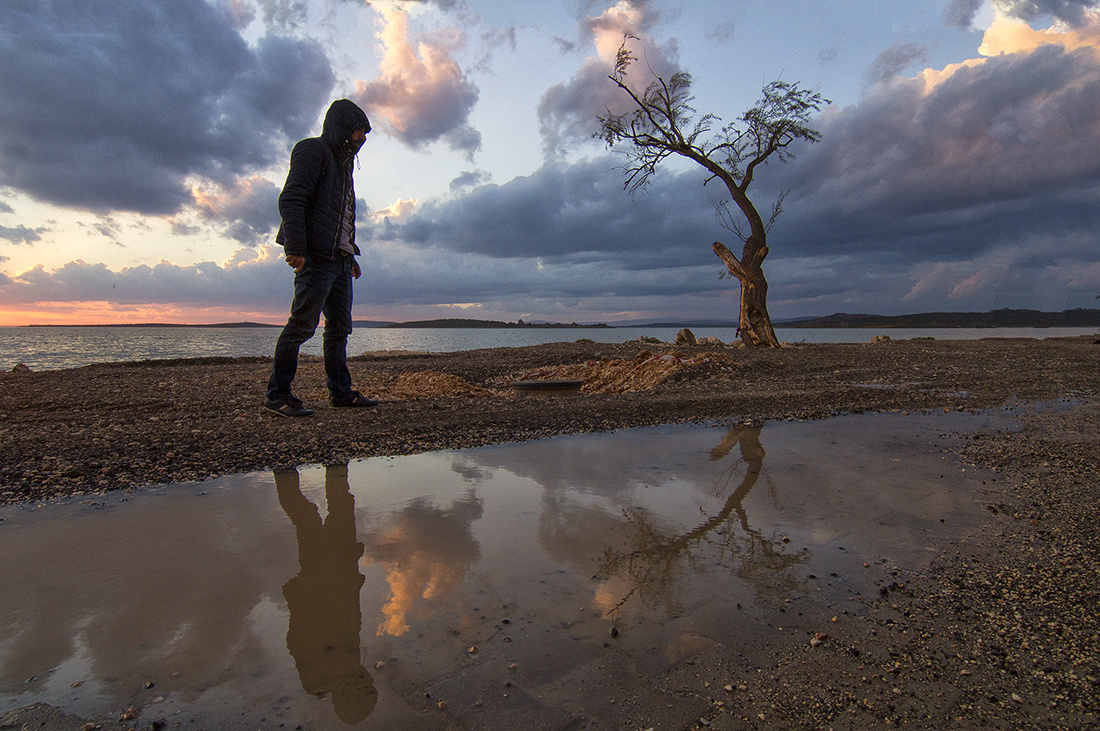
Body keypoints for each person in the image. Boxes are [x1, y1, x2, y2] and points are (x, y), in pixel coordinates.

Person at [265, 99, 379, 417]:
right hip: (315, 255)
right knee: (302, 326)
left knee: (339, 329)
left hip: (339, 259)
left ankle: (340, 393)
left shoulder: (344, 167)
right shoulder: (312, 150)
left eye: (365, 133)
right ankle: (278, 395)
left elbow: (340, 217)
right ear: (343, 127)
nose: (362, 138)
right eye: (359, 130)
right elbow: (292, 198)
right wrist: (295, 247)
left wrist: (350, 253)